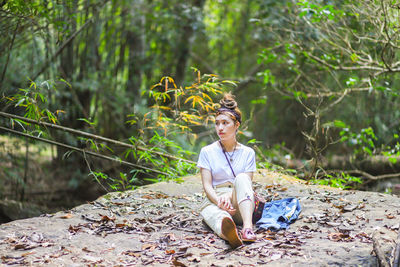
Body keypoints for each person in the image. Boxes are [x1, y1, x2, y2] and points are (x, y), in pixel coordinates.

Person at [197, 93, 257, 248]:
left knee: (242, 178)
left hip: (239, 201)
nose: (220, 128)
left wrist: (230, 198)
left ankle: (247, 229)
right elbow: (207, 186)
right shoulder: (207, 151)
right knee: (217, 215)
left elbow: (247, 185)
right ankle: (229, 233)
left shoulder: (248, 153)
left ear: (236, 125)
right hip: (215, 199)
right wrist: (219, 201)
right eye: (217, 123)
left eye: (225, 123)